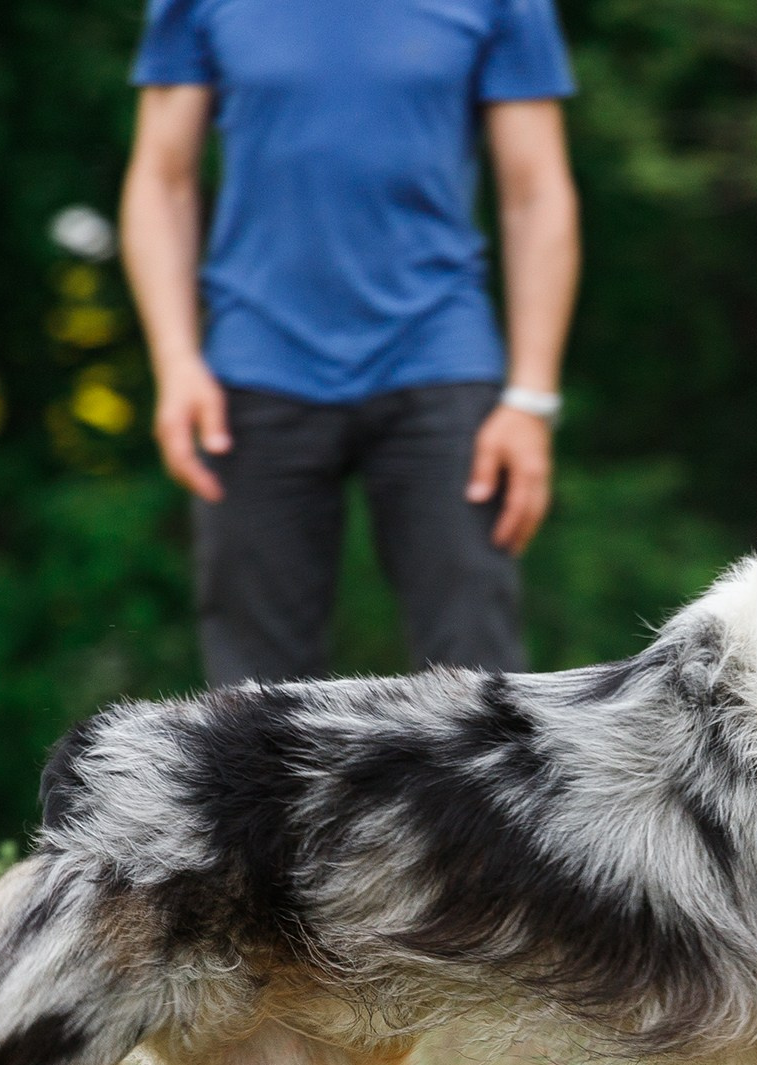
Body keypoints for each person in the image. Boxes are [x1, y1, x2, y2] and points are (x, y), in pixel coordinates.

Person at [120, 0, 580, 685]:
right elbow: (162, 180)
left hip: (442, 365)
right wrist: (177, 361)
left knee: (476, 695)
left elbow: (536, 191)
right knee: (252, 709)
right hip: (251, 372)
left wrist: (531, 398)